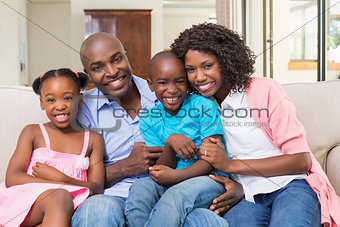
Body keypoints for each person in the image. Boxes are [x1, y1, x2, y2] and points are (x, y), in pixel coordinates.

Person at [171, 22, 340, 227]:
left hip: (290, 186)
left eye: (207, 65)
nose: (199, 77)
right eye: (191, 69)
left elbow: (300, 160)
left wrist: (230, 165)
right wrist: (233, 183)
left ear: (225, 60)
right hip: (247, 196)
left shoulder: (264, 90)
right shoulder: (200, 108)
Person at [72, 32, 243, 227]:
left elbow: (216, 154)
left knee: (205, 222)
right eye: (97, 67)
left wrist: (241, 184)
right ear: (87, 73)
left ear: (126, 56)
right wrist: (126, 166)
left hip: (181, 188)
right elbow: (76, 177)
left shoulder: (171, 90)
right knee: (97, 212)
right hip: (115, 196)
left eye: (116, 59)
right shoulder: (83, 109)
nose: (111, 71)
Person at [125, 51, 229, 227]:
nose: (172, 89)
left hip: (210, 179)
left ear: (187, 82)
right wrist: (170, 142)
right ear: (151, 84)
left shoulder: (203, 106)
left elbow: (212, 161)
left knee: (176, 196)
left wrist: (176, 177)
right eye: (163, 83)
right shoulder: (149, 118)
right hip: (171, 177)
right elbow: (162, 168)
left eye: (179, 81)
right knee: (139, 189)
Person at [0, 68, 105, 227]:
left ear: (80, 100)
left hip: (62, 213)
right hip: (25, 205)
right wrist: (53, 184)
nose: (60, 106)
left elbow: (96, 188)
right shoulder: (33, 132)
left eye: (68, 98)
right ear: (42, 103)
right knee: (60, 196)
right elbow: (12, 177)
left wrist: (59, 177)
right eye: (51, 100)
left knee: (61, 201)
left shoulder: (93, 140)